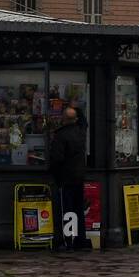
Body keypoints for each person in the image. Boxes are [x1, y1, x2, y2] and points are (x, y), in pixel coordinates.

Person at [48, 106, 91, 252]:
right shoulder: (81, 132)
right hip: (79, 177)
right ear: (76, 119)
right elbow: (84, 122)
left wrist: (55, 174)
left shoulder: (61, 136)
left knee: (67, 211)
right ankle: (80, 239)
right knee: (78, 210)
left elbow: (56, 159)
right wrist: (76, 107)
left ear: (63, 119)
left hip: (65, 179)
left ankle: (68, 241)